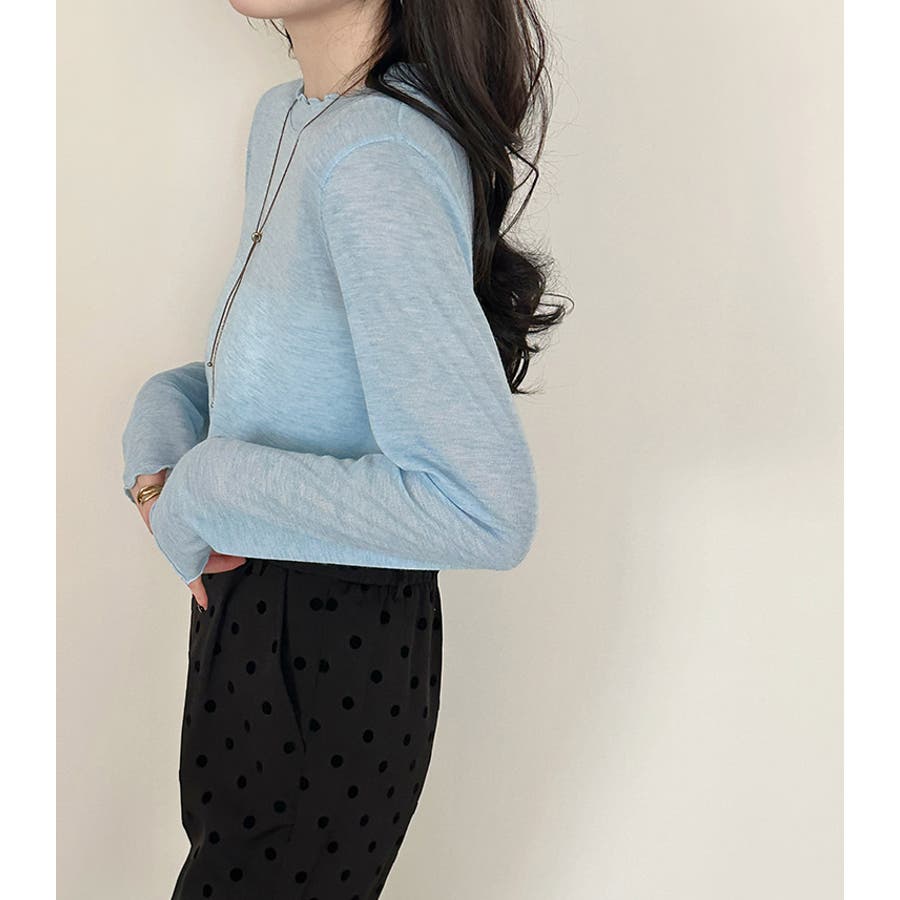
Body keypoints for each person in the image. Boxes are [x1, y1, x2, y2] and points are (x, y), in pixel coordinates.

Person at [120, 1, 569, 897]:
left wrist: (204, 490)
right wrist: (162, 432)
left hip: (328, 648)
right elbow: (288, 385)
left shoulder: (377, 155)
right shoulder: (290, 119)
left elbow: (484, 507)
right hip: (258, 619)